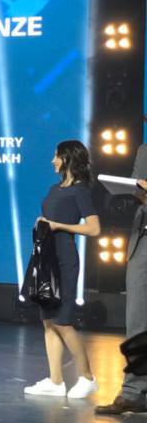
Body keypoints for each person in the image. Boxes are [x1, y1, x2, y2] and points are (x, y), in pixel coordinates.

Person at [24, 140, 101, 398]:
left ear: (67, 158)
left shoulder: (80, 191)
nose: (52, 161)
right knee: (48, 322)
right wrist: (44, 224)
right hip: (46, 257)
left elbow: (94, 228)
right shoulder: (54, 189)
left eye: (56, 156)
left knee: (63, 322)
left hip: (64, 259)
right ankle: (55, 381)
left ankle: (87, 377)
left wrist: (58, 226)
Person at [96, 142, 147, 415]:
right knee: (138, 320)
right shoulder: (145, 150)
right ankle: (133, 392)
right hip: (143, 241)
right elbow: (137, 191)